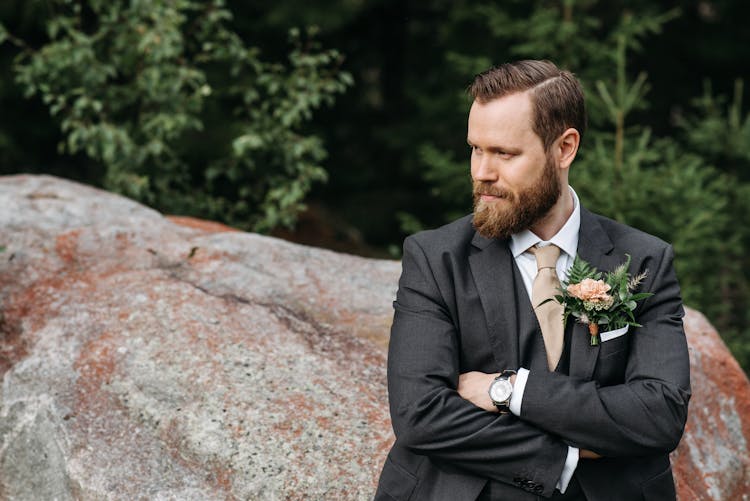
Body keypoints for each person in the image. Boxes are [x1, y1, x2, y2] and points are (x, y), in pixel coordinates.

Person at [374, 60, 690, 501]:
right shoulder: (435, 258)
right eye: (475, 149)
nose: (482, 171)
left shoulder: (643, 262)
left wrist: (509, 390)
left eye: (504, 153)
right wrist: (566, 456)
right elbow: (420, 414)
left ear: (564, 149)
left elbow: (658, 414)